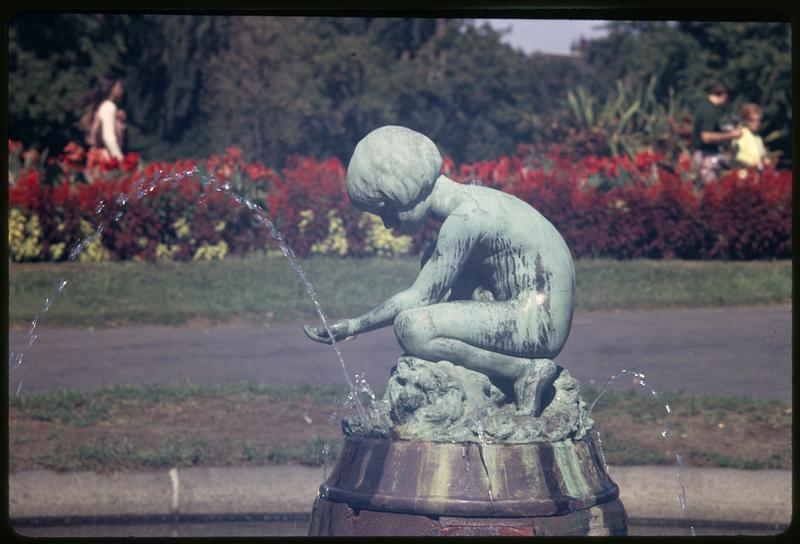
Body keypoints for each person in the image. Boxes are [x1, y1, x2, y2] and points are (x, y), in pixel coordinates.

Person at [303, 126, 575, 417]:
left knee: (413, 328)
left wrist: (354, 326)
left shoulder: (464, 220)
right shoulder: (476, 199)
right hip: (537, 310)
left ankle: (522, 371)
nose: (387, 224)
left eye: (385, 210)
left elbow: (418, 299)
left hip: (537, 321)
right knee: (431, 258)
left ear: (400, 190)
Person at [691, 83, 742, 183]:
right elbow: (706, 137)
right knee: (711, 191)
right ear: (724, 95)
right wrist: (732, 135)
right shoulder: (709, 110)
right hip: (705, 157)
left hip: (702, 155)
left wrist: (724, 130)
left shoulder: (704, 106)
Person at [75, 77, 125, 161]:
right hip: (106, 158)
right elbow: (108, 137)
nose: (121, 91)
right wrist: (120, 159)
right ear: (112, 89)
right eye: (119, 87)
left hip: (97, 156)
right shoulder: (109, 107)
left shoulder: (103, 107)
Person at [732, 102, 770, 170]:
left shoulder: (758, 138)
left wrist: (765, 160)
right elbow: (738, 156)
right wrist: (754, 163)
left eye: (758, 121)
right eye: (753, 120)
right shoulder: (740, 134)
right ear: (745, 120)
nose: (757, 124)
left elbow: (762, 155)